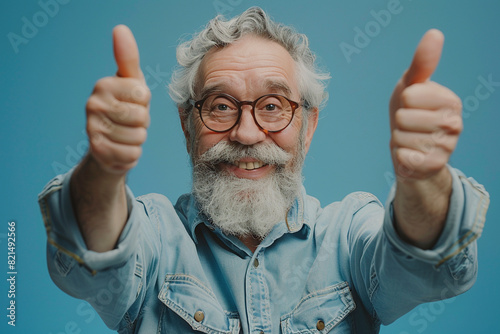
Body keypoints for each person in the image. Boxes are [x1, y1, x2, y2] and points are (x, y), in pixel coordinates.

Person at [38, 7, 489, 334]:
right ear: (186, 126)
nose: (248, 133)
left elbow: (424, 267)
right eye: (220, 106)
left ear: (308, 127)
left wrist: (423, 181)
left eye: (273, 106)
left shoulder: (348, 234)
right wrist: (103, 171)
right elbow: (89, 256)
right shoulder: (155, 235)